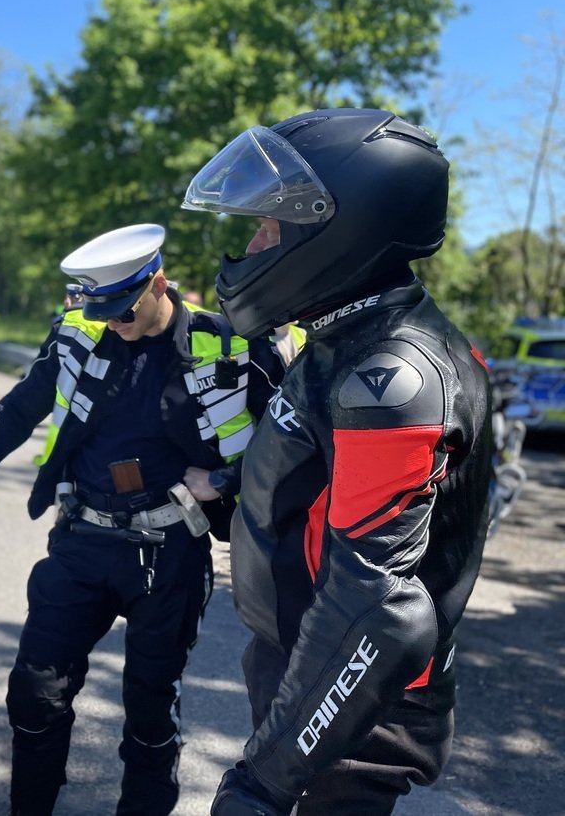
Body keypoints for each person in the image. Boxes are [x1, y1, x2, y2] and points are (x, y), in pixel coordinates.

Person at [179, 108, 493, 815]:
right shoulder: (343, 335)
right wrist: (231, 487)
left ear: (339, 226)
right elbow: (325, 473)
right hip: (305, 674)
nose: (253, 244)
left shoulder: (392, 376)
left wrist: (264, 780)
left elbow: (380, 608)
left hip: (353, 720)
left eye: (268, 227)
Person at [0, 224, 284, 815]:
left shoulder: (227, 344)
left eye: (125, 309)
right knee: (35, 694)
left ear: (159, 282)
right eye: (103, 310)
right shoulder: (79, 334)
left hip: (171, 552)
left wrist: (224, 480)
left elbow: (293, 439)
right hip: (83, 540)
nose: (114, 321)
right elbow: (22, 405)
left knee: (150, 708)